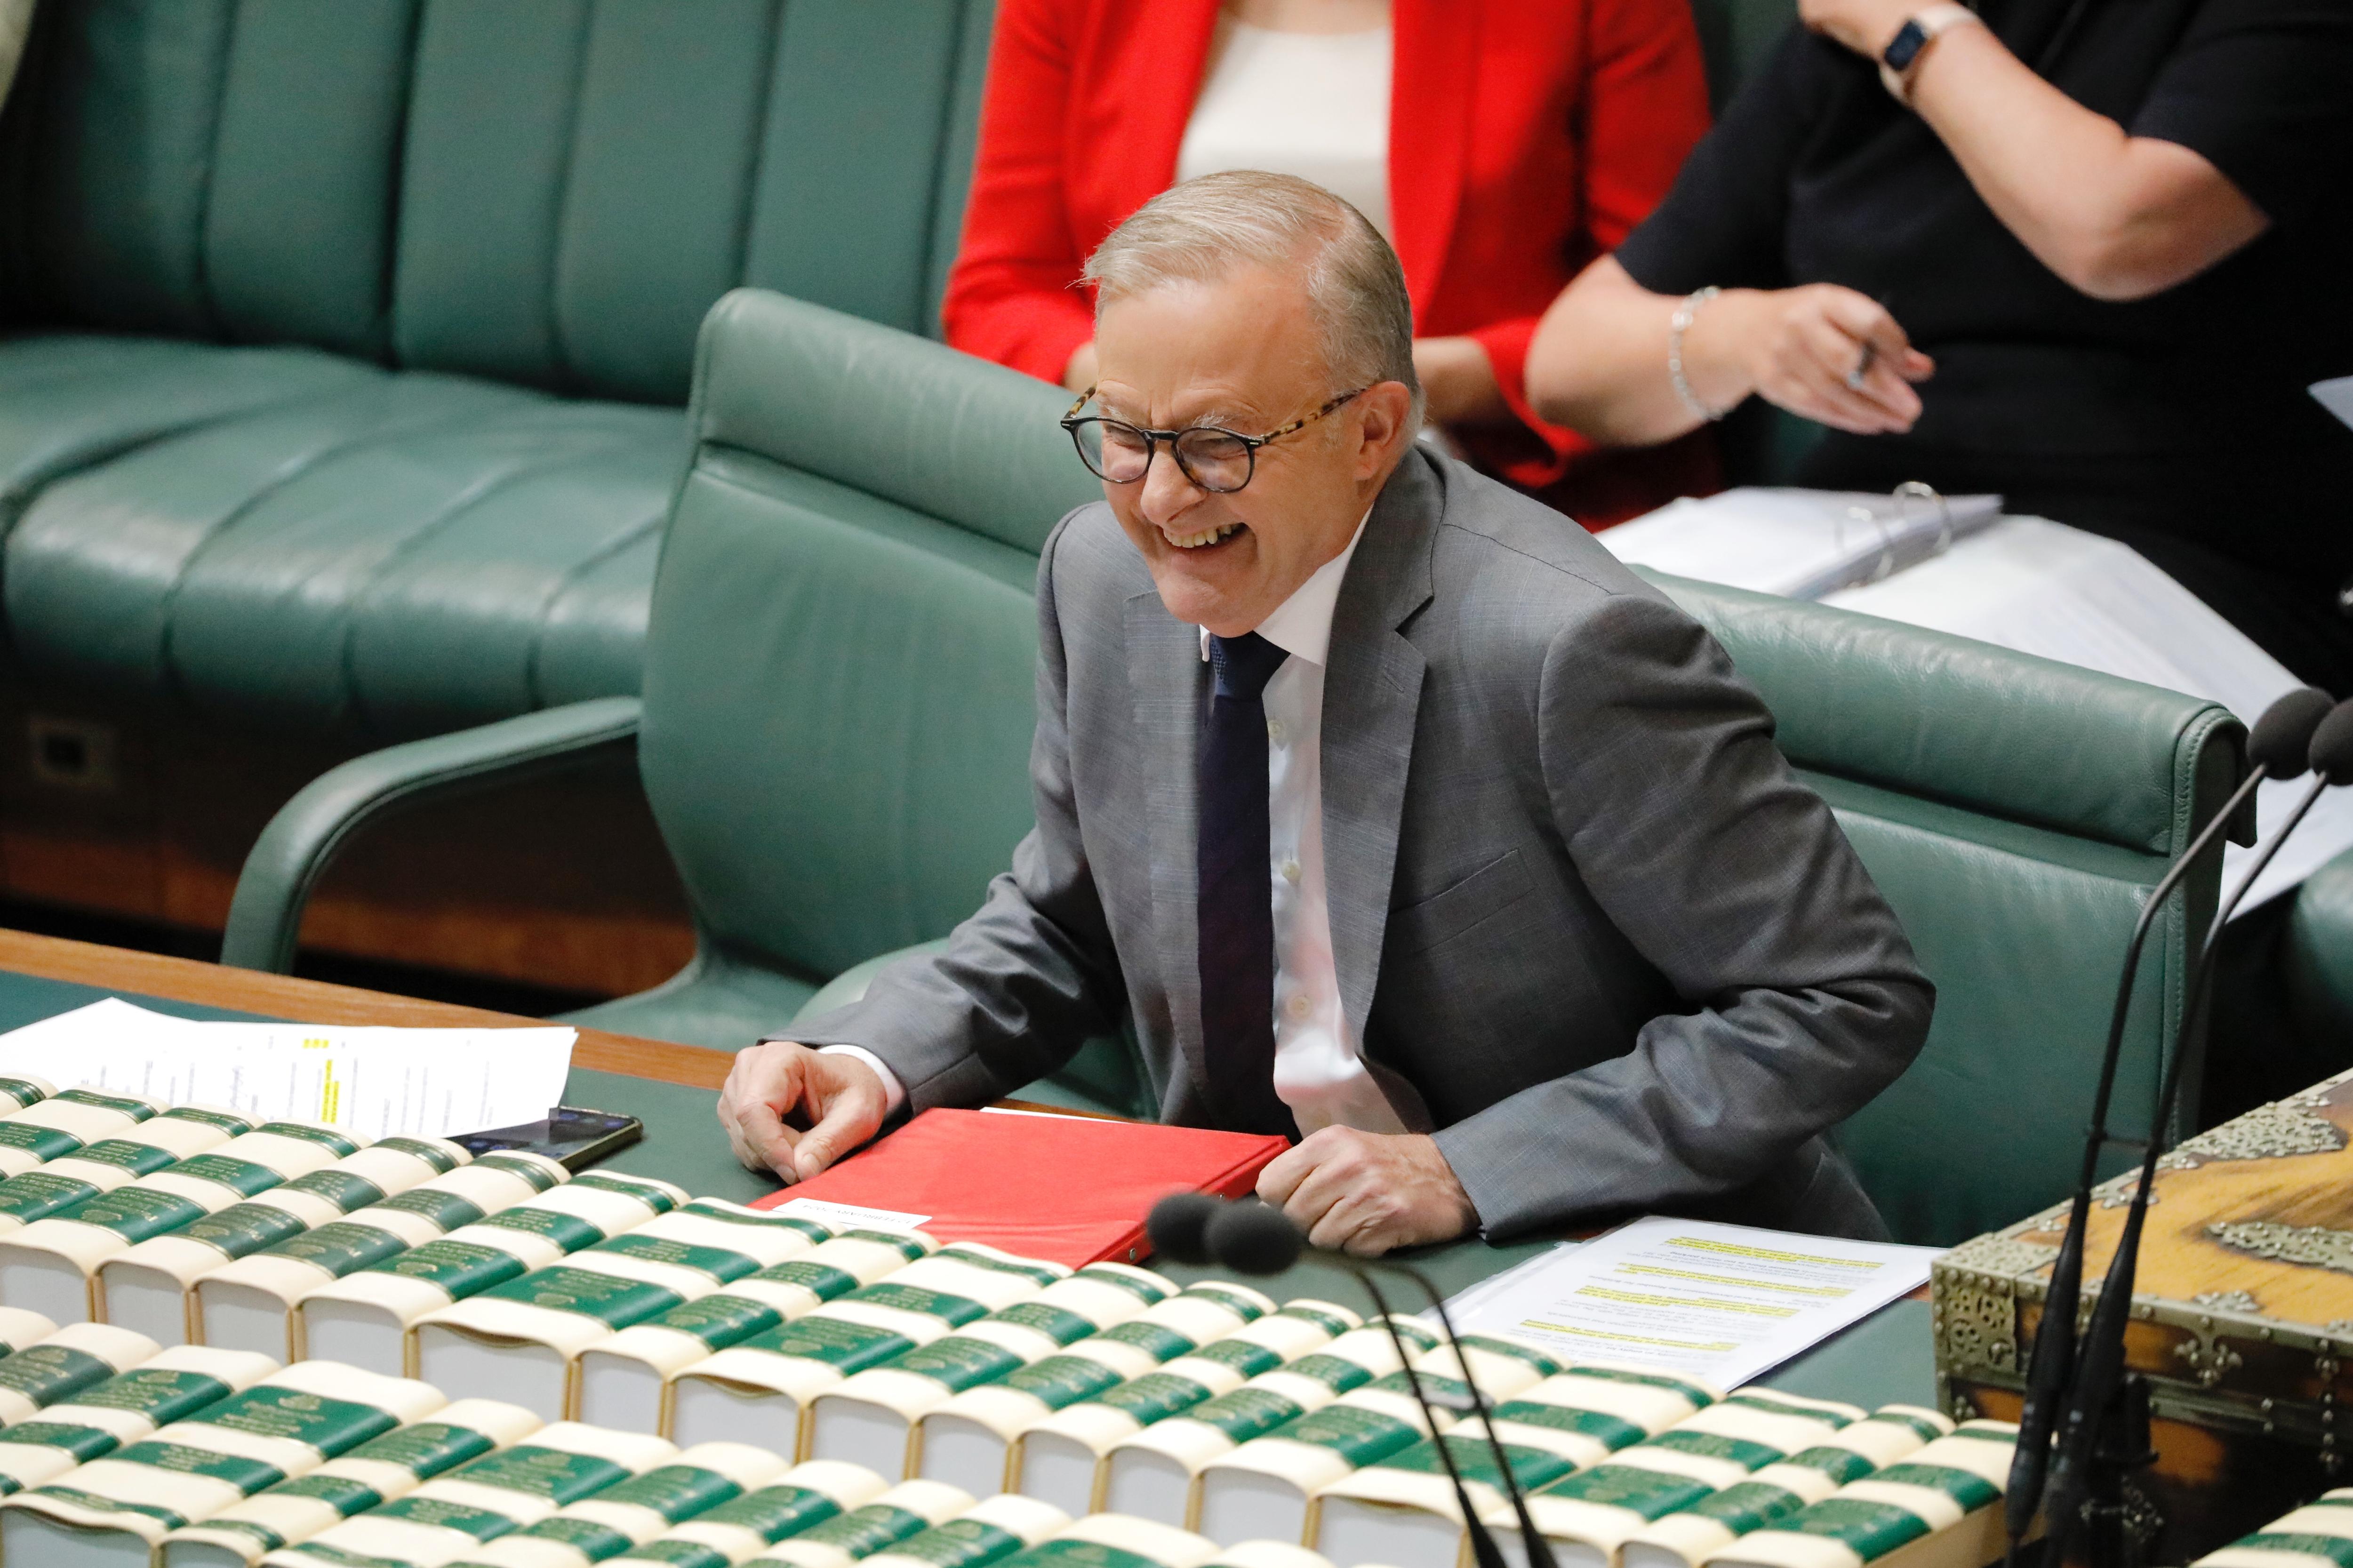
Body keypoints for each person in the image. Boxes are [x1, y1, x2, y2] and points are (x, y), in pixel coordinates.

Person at [719, 172, 1934, 1255]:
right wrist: (870, 1061)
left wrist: (1468, 1169)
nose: (1159, 499)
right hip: (1264, 1251)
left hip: (1591, 1251)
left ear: (1372, 432)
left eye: (1216, 445)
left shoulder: (1566, 647)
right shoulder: (1099, 577)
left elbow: (1841, 995)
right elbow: (1068, 919)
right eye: (1124, 434)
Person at [1523, 0, 2353, 693]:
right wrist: (1742, 335)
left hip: (2178, 544)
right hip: (1874, 526)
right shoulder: (1846, 37)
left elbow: (2119, 233)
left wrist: (1918, 34)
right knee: (1556, 652)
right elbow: (1564, 366)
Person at [943, 0, 1718, 527]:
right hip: (1152, 489)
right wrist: (1157, 406)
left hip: (1484, 490)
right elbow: (998, 293)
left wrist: (1401, 386)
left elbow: (1667, 309)